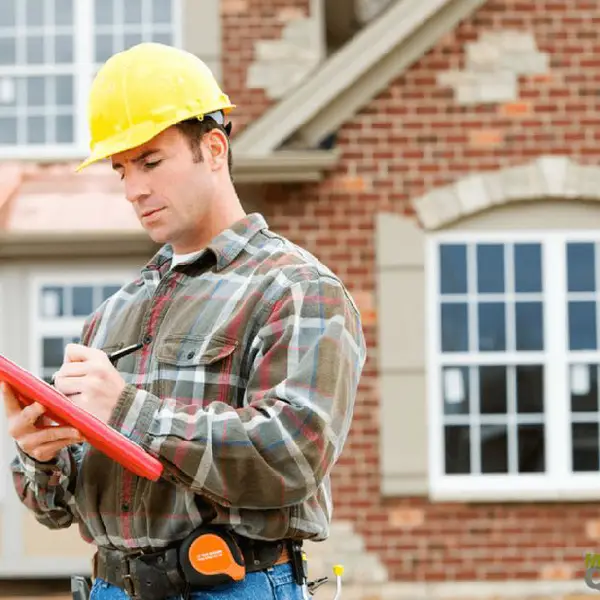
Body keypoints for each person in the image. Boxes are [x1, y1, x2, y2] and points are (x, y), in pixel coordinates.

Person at [2, 43, 366, 600]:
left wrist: (126, 409)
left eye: (151, 162)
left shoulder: (297, 288)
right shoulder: (112, 315)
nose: (133, 189)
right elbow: (58, 510)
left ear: (213, 148)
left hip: (231, 585)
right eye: (121, 168)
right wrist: (42, 456)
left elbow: (294, 453)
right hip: (110, 589)